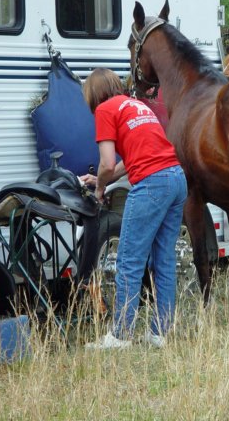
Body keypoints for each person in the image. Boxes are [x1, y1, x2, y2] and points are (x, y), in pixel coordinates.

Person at [81, 68, 187, 349]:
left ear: (93, 94)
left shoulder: (105, 109)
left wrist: (100, 187)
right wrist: (105, 178)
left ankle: (120, 335)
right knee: (163, 260)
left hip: (152, 185)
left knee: (129, 261)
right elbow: (130, 160)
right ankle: (159, 333)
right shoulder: (136, 105)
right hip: (176, 178)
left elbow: (105, 163)